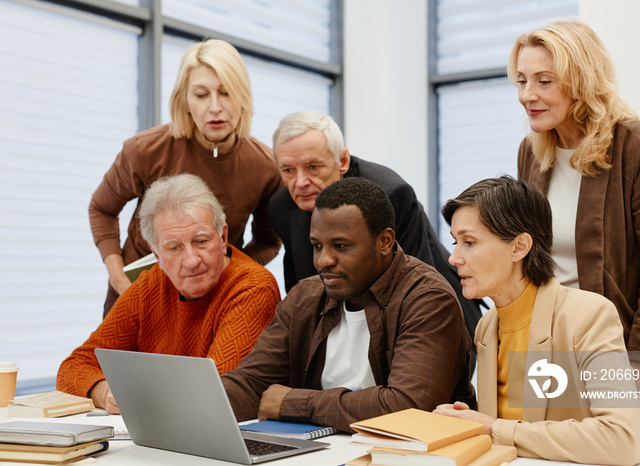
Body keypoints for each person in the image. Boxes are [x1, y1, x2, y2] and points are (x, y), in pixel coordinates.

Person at [510, 18, 640, 432]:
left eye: (544, 81)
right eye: (522, 80)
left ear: (580, 79)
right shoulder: (532, 151)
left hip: (631, 349)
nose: (527, 95)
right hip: (558, 349)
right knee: (554, 452)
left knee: (630, 453)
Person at [222, 177, 475, 432]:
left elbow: (407, 407)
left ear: (384, 242)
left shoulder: (428, 298)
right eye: (317, 246)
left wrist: (295, 403)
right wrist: (194, 404)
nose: (324, 260)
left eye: (340, 246)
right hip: (321, 451)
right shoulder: (305, 296)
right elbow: (252, 383)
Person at [434, 177, 640, 465]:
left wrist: (493, 428)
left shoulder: (590, 316)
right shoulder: (487, 326)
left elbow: (622, 439)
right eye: (455, 242)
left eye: (469, 242)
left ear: (519, 247)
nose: (454, 258)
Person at [90, 39, 282, 317]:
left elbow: (268, 241)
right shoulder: (144, 150)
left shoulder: (266, 166)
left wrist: (229, 276)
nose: (215, 107)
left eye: (226, 93)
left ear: (243, 97)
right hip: (136, 299)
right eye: (201, 95)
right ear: (185, 100)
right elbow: (101, 209)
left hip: (211, 307)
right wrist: (119, 279)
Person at [58, 174, 280, 414]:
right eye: (174, 248)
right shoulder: (150, 284)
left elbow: (214, 392)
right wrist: (105, 393)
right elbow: (72, 368)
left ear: (223, 237)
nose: (192, 261)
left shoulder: (253, 288)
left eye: (201, 241)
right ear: (156, 254)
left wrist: (137, 391)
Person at [268, 110, 483, 339]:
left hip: (434, 316)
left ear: (342, 161)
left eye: (313, 167)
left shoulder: (390, 194)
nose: (300, 182)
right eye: (288, 170)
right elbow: (298, 289)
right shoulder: (281, 206)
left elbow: (418, 285)